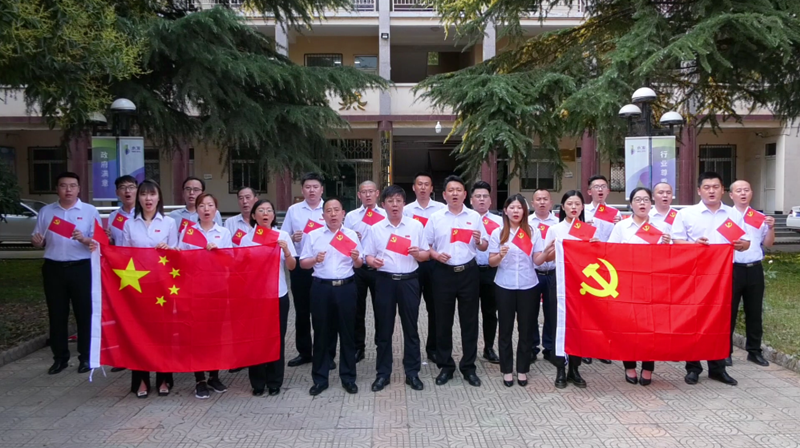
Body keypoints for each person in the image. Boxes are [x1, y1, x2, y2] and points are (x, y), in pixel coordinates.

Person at [672, 171, 750, 386]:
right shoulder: (687, 214)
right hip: (695, 275)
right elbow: (676, 242)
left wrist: (742, 245)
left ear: (723, 190)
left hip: (724, 275)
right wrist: (695, 245)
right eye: (707, 187)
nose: (711, 191)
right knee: (694, 320)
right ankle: (693, 367)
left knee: (721, 319)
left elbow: (745, 243)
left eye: (716, 187)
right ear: (699, 191)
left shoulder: (732, 214)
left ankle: (718, 368)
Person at [31, 172, 100, 375]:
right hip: (54, 268)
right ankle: (60, 358)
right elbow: (39, 238)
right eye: (63, 185)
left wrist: (84, 239)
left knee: (84, 313)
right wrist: (37, 242)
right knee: (57, 314)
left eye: (72, 186)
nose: (68, 190)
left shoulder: (89, 211)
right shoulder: (46, 211)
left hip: (81, 268)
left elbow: (98, 242)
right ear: (57, 189)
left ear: (79, 189)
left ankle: (86, 357)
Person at [424, 175, 488, 387]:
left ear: (464, 194)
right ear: (444, 195)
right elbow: (426, 245)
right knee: (443, 321)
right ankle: (446, 366)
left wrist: (479, 241)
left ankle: (468, 367)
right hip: (443, 273)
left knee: (470, 321)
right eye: (450, 190)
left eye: (458, 190)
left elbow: (484, 245)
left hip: (469, 273)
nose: (454, 193)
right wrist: (435, 255)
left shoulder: (474, 216)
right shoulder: (436, 218)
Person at [364, 185, 430, 392]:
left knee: (411, 328)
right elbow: (367, 255)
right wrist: (373, 262)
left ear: (404, 204)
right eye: (390, 201)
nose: (395, 205)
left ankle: (412, 373)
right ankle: (383, 374)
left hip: (409, 281)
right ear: (383, 204)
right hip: (384, 281)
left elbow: (426, 254)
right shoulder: (375, 229)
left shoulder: (415, 226)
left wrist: (418, 254)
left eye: (398, 201)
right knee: (384, 329)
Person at [119, 180, 178, 398]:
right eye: (143, 194)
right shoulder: (129, 224)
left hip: (162, 286)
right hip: (138, 288)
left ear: (159, 197)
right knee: (139, 333)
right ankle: (141, 379)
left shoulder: (169, 223)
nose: (148, 199)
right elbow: (122, 255)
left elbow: (177, 253)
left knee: (162, 333)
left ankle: (164, 378)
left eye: (152, 194)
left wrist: (169, 249)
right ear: (139, 198)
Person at [607, 187, 671, 386]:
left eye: (645, 200)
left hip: (653, 284)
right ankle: (629, 366)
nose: (642, 203)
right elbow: (610, 253)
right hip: (627, 283)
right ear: (631, 204)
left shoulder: (662, 227)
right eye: (637, 199)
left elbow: (670, 260)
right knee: (628, 326)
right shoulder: (622, 227)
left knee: (651, 327)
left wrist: (667, 245)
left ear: (651, 204)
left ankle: (648, 367)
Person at [300, 198, 363, 396]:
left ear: (343, 213)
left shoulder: (351, 235)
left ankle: (348, 378)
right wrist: (315, 259)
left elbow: (360, 263)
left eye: (336, 210)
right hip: (322, 289)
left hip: (346, 288)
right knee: (321, 334)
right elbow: (303, 263)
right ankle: (320, 378)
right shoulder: (314, 235)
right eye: (329, 210)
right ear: (323, 215)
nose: (333, 214)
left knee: (347, 333)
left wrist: (356, 258)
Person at [538, 190, 599, 389]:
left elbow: (595, 259)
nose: (574, 207)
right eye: (570, 203)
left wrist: (595, 246)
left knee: (578, 325)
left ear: (582, 207)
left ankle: (575, 368)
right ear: (563, 206)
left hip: (581, 283)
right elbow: (546, 258)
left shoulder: (589, 230)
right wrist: (553, 250)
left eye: (577, 204)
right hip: (559, 280)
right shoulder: (555, 229)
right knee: (559, 324)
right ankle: (560, 369)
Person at [177, 193, 232, 398]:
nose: (206, 209)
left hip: (217, 290)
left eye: (210, 205)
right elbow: (181, 259)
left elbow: (230, 260)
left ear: (216, 209)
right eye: (202, 205)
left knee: (215, 334)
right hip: (195, 290)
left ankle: (214, 376)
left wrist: (218, 253)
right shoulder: (189, 231)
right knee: (197, 335)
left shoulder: (223, 232)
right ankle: (199, 379)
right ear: (197, 209)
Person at [240, 199, 297, 396]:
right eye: (261, 210)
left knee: (276, 338)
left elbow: (292, 266)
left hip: (278, 295)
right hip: (255, 297)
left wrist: (286, 251)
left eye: (269, 210)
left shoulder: (282, 236)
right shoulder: (247, 239)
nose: (265, 213)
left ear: (273, 215)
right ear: (253, 215)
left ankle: (274, 381)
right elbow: (241, 268)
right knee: (256, 339)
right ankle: (257, 382)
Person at [488, 194, 543, 387]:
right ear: (505, 211)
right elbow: (491, 262)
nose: (516, 211)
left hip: (529, 285)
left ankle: (522, 369)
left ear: (525, 211)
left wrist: (548, 253)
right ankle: (506, 369)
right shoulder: (498, 233)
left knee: (526, 329)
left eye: (519, 207)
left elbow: (537, 260)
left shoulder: (533, 232)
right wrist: (500, 255)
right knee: (505, 329)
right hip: (505, 285)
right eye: (512, 207)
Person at [728, 180, 774, 367]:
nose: (743, 193)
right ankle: (725, 352)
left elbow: (768, 243)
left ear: (751, 193)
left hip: (754, 268)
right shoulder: (726, 216)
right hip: (732, 269)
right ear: (731, 195)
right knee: (729, 312)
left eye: (746, 190)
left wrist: (771, 228)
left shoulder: (759, 217)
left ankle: (754, 351)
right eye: (738, 190)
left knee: (754, 312)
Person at [281, 173, 326, 367]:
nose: (312, 190)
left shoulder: (329, 208)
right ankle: (304, 352)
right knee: (302, 311)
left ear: (322, 189)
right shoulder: (294, 210)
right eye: (308, 187)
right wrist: (293, 238)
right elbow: (283, 236)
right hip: (300, 265)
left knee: (323, 311)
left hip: (323, 265)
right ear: (302, 190)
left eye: (315, 187)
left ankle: (324, 353)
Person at [403, 172, 446, 364]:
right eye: (419, 184)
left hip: (434, 264)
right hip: (412, 264)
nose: (422, 187)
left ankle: (433, 348)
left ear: (431, 188)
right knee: (410, 309)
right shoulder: (406, 210)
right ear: (413, 187)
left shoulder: (441, 210)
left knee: (434, 308)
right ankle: (412, 351)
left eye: (426, 184)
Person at [344, 180, 386, 363]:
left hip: (379, 268)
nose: (367, 195)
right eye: (364, 192)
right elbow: (344, 240)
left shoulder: (385, 214)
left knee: (381, 309)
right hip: (358, 268)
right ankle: (358, 347)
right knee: (356, 310)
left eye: (371, 191)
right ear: (359, 195)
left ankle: (381, 346)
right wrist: (354, 238)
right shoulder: (351, 216)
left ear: (377, 193)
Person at [582, 175, 618, 365]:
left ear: (608, 191)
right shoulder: (582, 210)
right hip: (586, 265)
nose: (600, 190)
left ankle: (602, 348)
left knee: (604, 310)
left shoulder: (615, 213)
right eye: (596, 187)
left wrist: (619, 225)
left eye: (603, 186)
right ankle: (586, 347)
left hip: (606, 265)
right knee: (586, 308)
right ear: (590, 191)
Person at [470, 181, 502, 364]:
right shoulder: (465, 219)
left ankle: (489, 348)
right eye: (478, 196)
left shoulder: (499, 222)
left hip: (491, 271)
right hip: (470, 271)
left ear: (490, 200)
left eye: (485, 196)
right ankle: (470, 349)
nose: (481, 200)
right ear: (471, 199)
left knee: (490, 312)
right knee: (469, 313)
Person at [528, 189, 559, 363]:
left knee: (552, 312)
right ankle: (532, 348)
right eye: (538, 199)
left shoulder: (558, 223)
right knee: (530, 312)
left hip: (553, 273)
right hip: (532, 273)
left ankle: (550, 348)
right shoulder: (526, 223)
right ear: (532, 203)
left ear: (551, 202)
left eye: (545, 199)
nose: (541, 202)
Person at [107, 175, 138, 245]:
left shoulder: (143, 214)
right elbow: (113, 242)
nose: (127, 191)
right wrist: (109, 239)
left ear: (137, 190)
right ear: (117, 192)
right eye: (123, 188)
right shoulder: (113, 216)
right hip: (119, 252)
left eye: (131, 187)